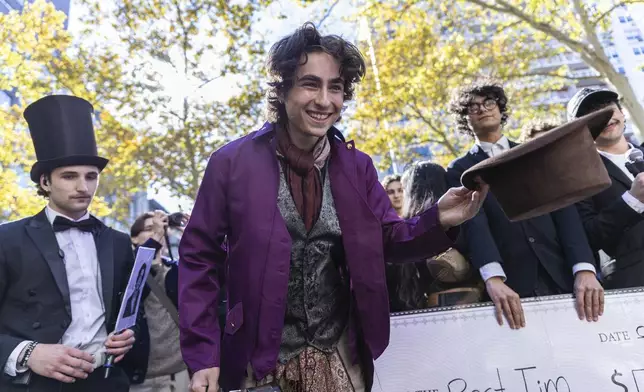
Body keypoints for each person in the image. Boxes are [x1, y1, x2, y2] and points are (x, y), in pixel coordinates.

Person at [179, 23, 487, 392]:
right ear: (282, 89)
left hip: (341, 355)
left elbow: (387, 239)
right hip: (258, 364)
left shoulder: (358, 167)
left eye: (336, 87)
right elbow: (199, 259)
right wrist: (203, 357)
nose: (324, 100)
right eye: (310, 83)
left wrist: (437, 218)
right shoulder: (231, 162)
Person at [0, 95, 140, 391]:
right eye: (69, 176)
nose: (83, 187)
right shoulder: (6, 240)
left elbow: (131, 313)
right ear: (45, 182)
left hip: (107, 382)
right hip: (35, 384)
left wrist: (127, 334)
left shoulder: (117, 242)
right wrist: (28, 352)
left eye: (91, 176)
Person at [445, 81, 604, 330]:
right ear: (465, 119)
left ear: (500, 108)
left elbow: (565, 211)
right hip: (511, 283)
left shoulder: (535, 152)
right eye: (472, 107)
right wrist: (493, 278)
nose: (482, 109)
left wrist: (584, 269)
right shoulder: (459, 170)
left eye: (489, 102)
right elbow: (475, 224)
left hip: (563, 274)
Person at [568, 88, 644, 288]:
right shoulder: (579, 176)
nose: (605, 118)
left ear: (621, 112)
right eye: (593, 115)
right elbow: (589, 236)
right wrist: (632, 200)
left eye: (608, 109)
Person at [386, 161, 481, 311]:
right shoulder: (467, 217)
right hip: (478, 305)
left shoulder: (408, 230)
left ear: (411, 191)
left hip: (427, 312)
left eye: (403, 189)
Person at [121, 212, 190, 392]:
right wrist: (156, 238)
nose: (156, 232)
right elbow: (135, 287)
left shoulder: (175, 270)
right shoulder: (126, 268)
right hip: (141, 377)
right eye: (149, 229)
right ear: (134, 239)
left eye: (160, 228)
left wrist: (192, 232)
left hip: (180, 372)